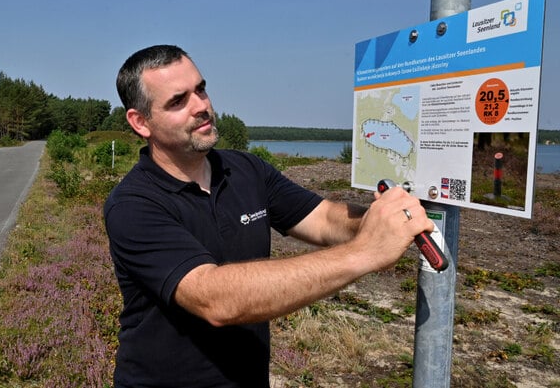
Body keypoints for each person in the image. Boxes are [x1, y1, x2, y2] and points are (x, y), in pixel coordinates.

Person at [103, 44, 434, 387]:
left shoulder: (246, 170)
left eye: (200, 89)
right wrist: (366, 252)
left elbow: (321, 218)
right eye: (178, 101)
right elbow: (215, 298)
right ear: (140, 122)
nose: (201, 106)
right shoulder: (133, 204)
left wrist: (377, 220)